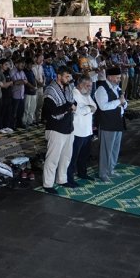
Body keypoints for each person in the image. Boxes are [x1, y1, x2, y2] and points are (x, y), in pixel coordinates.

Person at [41, 66, 77, 194]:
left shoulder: (68, 88)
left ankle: (62, 179)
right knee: (53, 158)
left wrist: (71, 106)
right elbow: (52, 112)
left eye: (69, 76)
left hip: (68, 127)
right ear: (59, 76)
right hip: (55, 129)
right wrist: (69, 107)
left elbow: (74, 102)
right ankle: (48, 183)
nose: (69, 79)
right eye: (66, 76)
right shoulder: (50, 91)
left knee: (66, 157)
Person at [95, 66, 127, 182]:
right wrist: (118, 102)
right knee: (106, 150)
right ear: (110, 77)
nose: (119, 80)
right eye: (117, 77)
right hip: (107, 123)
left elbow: (124, 102)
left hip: (118, 121)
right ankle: (103, 173)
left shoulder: (117, 88)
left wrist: (123, 104)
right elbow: (103, 107)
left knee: (114, 149)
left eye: (119, 77)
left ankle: (110, 169)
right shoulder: (102, 89)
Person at [67, 75, 97, 184]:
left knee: (84, 156)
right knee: (72, 157)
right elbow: (77, 110)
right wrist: (88, 108)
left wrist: (87, 108)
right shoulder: (74, 94)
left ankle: (82, 173)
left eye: (91, 86)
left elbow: (95, 107)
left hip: (87, 131)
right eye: (88, 86)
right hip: (77, 131)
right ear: (80, 85)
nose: (90, 88)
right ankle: (69, 178)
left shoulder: (86, 94)